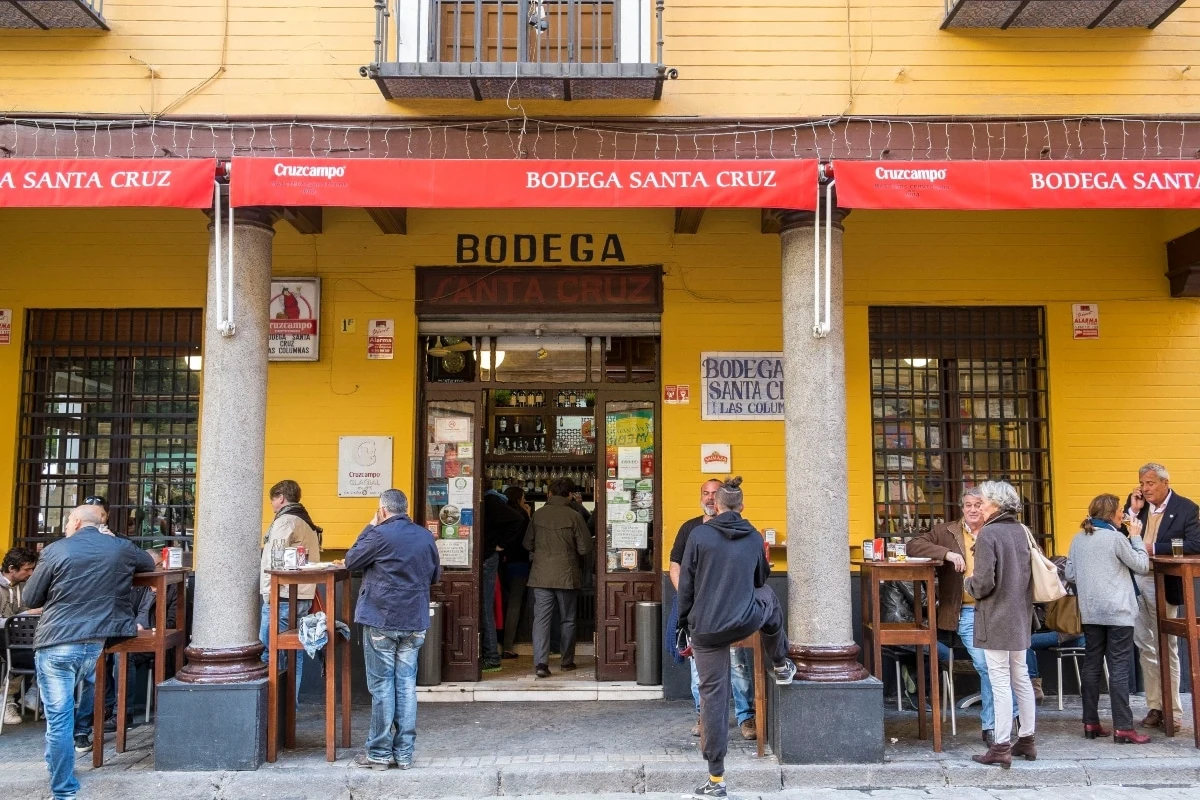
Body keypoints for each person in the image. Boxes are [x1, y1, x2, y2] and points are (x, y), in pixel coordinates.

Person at [22, 504, 155, 800]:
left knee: (59, 717)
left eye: (69, 520)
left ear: (78, 522)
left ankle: (64, 789)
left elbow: (30, 597)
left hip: (56, 641)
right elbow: (149, 563)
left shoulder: (56, 550)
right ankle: (57, 766)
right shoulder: (121, 547)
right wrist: (112, 540)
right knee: (73, 707)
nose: (67, 525)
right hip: (93, 644)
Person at [678, 476, 796, 800]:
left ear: (716, 505)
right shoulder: (755, 537)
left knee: (713, 700)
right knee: (769, 597)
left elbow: (686, 586)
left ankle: (716, 779)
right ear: (742, 506)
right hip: (745, 621)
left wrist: (683, 624)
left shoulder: (699, 535)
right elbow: (760, 578)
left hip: (705, 630)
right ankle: (781, 661)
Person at [907, 487, 1012, 744]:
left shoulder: (996, 529)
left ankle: (1008, 720)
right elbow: (913, 545)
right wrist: (947, 554)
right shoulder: (947, 531)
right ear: (961, 508)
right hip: (965, 610)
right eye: (968, 505)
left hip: (997, 610)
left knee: (1005, 666)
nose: (974, 509)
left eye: (978, 504)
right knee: (987, 665)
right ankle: (992, 727)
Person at [345, 488, 441, 770]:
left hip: (382, 620)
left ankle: (378, 753)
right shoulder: (425, 536)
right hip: (415, 621)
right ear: (405, 508)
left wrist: (369, 525)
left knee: (382, 688)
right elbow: (435, 575)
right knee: (406, 687)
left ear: (383, 510)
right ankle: (404, 754)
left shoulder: (378, 534)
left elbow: (351, 561)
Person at [669, 478, 757, 741]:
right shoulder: (690, 529)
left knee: (737, 665)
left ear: (723, 499)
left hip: (732, 610)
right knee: (699, 668)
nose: (709, 498)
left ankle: (746, 716)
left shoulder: (742, 530)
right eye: (705, 493)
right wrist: (689, 597)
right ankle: (703, 714)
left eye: (713, 493)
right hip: (700, 612)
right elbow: (676, 567)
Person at [1066, 493, 1151, 744]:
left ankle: (1090, 722)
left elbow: (1070, 573)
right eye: (1120, 512)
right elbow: (1141, 566)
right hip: (1119, 612)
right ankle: (1123, 727)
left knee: (1091, 666)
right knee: (1119, 669)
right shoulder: (1116, 538)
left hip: (1091, 611)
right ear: (1113, 514)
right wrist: (1135, 536)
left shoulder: (1078, 538)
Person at [964, 480, 1036, 769]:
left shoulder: (989, 534)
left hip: (995, 616)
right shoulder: (1022, 530)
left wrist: (967, 582)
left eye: (982, 501)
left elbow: (983, 583)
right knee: (1021, 676)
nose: (979, 506)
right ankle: (1027, 740)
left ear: (994, 503)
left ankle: (1001, 745)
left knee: (999, 680)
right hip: (1020, 613)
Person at [1128, 463, 1200, 733]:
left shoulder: (1186, 508)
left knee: (1166, 645)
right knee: (1145, 645)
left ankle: (1174, 710)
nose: (1145, 489)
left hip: (1163, 581)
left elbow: (1196, 544)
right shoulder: (1137, 506)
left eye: (1150, 483)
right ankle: (1155, 705)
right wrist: (1132, 511)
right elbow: (1123, 537)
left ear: (1165, 483)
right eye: (1142, 483)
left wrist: (1153, 547)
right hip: (1136, 579)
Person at [523, 477, 592, 678]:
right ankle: (566, 662)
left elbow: (527, 543)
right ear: (570, 495)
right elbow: (585, 547)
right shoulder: (574, 516)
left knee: (541, 620)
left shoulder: (538, 515)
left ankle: (541, 664)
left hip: (541, 575)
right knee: (568, 619)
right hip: (567, 576)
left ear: (549, 494)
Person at [257, 480, 322, 696]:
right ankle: (289, 710)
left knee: (270, 652)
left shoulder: (285, 521)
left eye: (273, 500)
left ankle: (272, 711)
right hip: (304, 594)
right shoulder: (308, 522)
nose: (272, 505)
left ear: (281, 498)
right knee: (296, 653)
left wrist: (268, 592)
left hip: (283, 595)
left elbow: (273, 561)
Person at [481, 485, 527, 671]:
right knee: (484, 605)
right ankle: (489, 654)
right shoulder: (491, 500)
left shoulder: (491, 501)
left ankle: (491, 656)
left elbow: (517, 520)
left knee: (484, 605)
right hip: (485, 558)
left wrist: (500, 545)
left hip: (486, 558)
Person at [1, 546, 38, 725]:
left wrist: (33, 612)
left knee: (45, 650)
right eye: (27, 569)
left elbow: (21, 610)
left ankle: (33, 694)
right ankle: (7, 700)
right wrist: (20, 617)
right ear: (11, 569)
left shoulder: (21, 587)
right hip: (3, 638)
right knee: (29, 654)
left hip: (12, 637)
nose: (30, 573)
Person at [500, 486, 532, 659]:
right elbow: (529, 539)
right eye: (524, 498)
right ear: (519, 498)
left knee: (504, 604)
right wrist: (528, 516)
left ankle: (501, 642)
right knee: (515, 605)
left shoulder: (503, 514)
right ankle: (507, 646)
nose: (525, 501)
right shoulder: (520, 517)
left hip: (503, 564)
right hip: (520, 564)